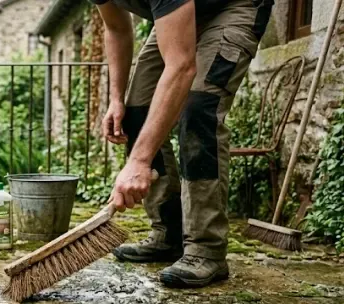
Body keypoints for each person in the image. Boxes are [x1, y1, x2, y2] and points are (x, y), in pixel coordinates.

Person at [93, 0, 273, 288]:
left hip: (234, 5)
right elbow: (116, 28)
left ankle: (206, 248)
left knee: (199, 109)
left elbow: (181, 66)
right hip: (182, 12)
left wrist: (139, 162)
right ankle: (168, 233)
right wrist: (115, 99)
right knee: (138, 112)